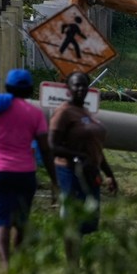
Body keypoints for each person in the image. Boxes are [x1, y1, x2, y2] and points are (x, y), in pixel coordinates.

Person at [0, 69, 59, 274]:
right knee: (20, 222)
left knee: (2, 223)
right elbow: (45, 149)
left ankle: (7, 268)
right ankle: (17, 265)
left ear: (7, 88)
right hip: (25, 175)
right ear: (29, 90)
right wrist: (54, 180)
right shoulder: (35, 115)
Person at [50, 71, 117, 260]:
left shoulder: (86, 112)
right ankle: (72, 264)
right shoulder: (63, 112)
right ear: (68, 89)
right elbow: (53, 146)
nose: (80, 89)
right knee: (73, 218)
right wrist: (79, 156)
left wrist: (110, 174)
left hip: (90, 171)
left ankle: (77, 258)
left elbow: (96, 149)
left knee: (88, 220)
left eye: (83, 85)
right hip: (70, 171)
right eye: (75, 85)